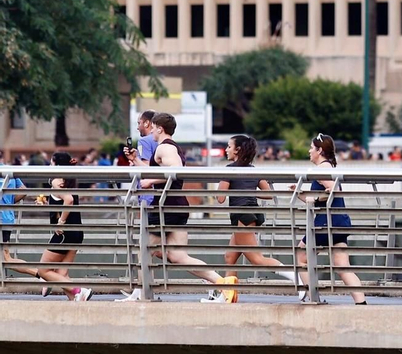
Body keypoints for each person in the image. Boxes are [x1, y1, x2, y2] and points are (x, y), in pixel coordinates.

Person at [121, 113, 232, 301]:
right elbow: (164, 170)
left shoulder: (163, 148)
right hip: (177, 206)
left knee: (143, 250)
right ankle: (224, 284)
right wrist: (136, 160)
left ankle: (142, 296)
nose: (152, 132)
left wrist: (150, 181)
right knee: (179, 257)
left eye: (154, 128)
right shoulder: (172, 148)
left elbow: (176, 170)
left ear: (159, 129)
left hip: (166, 207)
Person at [213, 135, 291, 291]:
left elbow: (220, 198)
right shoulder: (253, 170)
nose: (226, 150)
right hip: (251, 214)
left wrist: (227, 185)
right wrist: (248, 190)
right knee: (230, 257)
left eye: (229, 146)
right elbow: (269, 194)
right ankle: (228, 295)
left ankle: (296, 277)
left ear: (238, 150)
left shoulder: (230, 169)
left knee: (257, 260)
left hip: (241, 215)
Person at [297, 134, 367, 304]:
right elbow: (319, 197)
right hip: (339, 220)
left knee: (300, 256)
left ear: (320, 150)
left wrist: (315, 198)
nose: (309, 151)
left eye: (312, 148)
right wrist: (300, 194)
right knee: (342, 265)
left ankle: (313, 297)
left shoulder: (321, 169)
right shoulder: (329, 168)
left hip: (326, 221)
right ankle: (361, 303)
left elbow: (332, 190)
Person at [38, 152, 92, 301]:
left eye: (50, 163)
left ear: (56, 165)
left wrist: (60, 222)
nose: (49, 166)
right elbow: (64, 200)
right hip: (76, 232)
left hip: (64, 233)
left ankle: (79, 290)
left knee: (43, 271)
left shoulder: (56, 180)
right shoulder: (69, 179)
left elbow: (68, 200)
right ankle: (77, 300)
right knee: (61, 275)